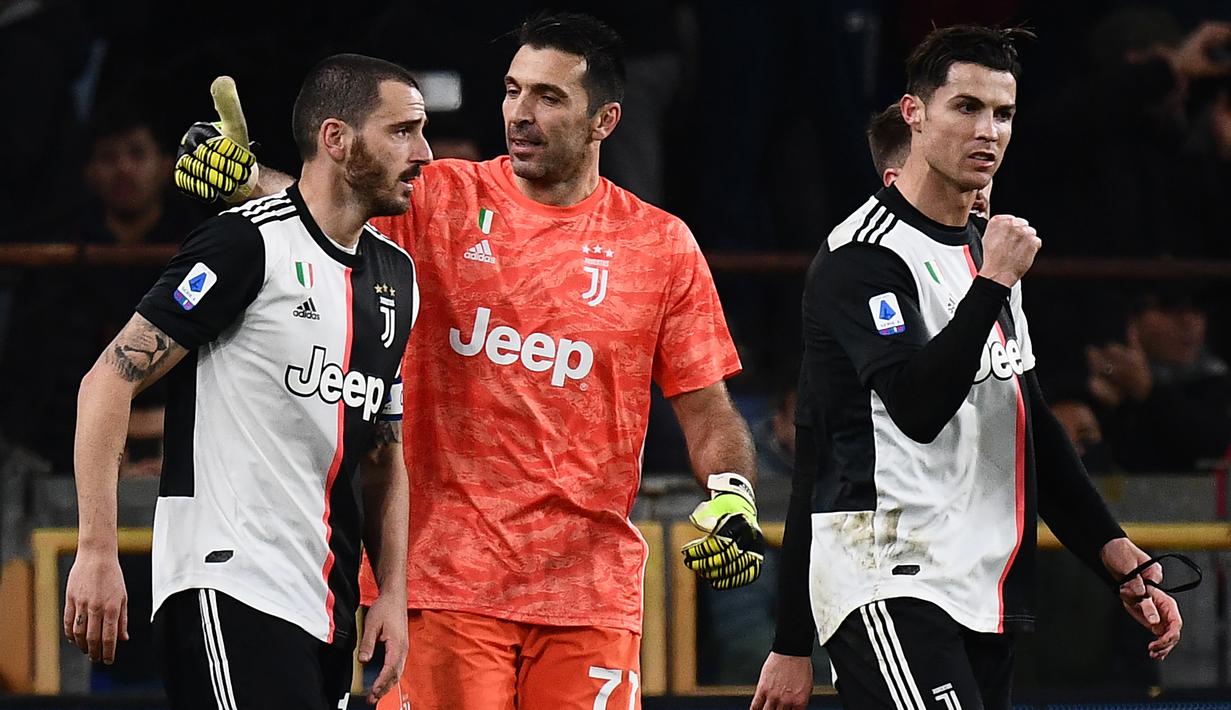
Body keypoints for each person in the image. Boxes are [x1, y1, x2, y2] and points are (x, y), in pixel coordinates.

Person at [175, 12, 764, 710]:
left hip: (591, 596)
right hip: (443, 583)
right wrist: (242, 175)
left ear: (605, 120)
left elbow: (708, 411)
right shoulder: (443, 201)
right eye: (513, 90)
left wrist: (733, 495)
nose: (520, 112)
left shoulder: (660, 247)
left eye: (549, 97)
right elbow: (322, 204)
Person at [752, 26, 1184, 710]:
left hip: (980, 583)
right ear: (914, 113)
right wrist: (991, 285)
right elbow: (913, 409)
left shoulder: (987, 248)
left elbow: (1025, 417)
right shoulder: (862, 258)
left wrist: (1110, 550)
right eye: (965, 107)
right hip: (887, 579)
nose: (988, 130)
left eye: (1003, 113)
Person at [63, 53, 430, 709]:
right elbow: (107, 381)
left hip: (328, 605)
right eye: (401, 131)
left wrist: (393, 593)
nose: (423, 152)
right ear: (337, 140)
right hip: (229, 582)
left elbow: (381, 452)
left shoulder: (395, 279)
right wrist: (97, 549)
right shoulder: (245, 243)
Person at [1086, 286, 1231, 473]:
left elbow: (1216, 447)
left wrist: (1148, 391)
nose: (1187, 321)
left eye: (1197, 308)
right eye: (1169, 307)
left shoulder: (1216, 380)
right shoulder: (1097, 377)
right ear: (1132, 320)